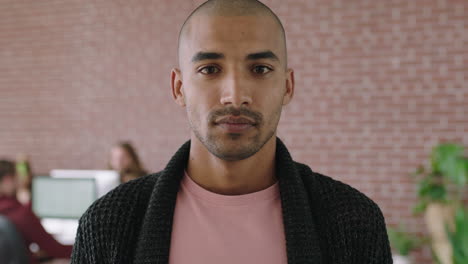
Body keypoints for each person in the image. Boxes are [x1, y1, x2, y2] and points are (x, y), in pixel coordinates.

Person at [71, 0, 392, 263]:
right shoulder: (108, 224)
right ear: (179, 87)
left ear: (287, 86)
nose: (236, 95)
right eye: (210, 69)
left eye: (260, 69)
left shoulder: (353, 222)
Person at [0, 160, 73, 264]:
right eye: (17, 178)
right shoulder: (20, 213)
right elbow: (56, 250)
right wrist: (84, 247)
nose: (20, 182)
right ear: (8, 180)